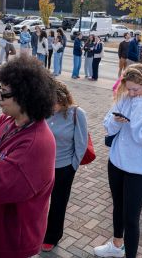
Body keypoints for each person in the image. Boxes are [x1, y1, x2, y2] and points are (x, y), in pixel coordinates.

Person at [0, 55, 56, 258]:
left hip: (10, 245)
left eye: (4, 93)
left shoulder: (34, 144)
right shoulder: (9, 120)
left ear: (25, 97)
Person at [95, 64, 142, 258]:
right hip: (117, 161)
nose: (131, 93)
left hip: (140, 168)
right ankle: (116, 244)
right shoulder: (125, 97)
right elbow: (107, 125)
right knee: (118, 207)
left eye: (135, 89)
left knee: (131, 217)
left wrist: (138, 107)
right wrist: (115, 121)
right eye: (128, 88)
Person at [42, 81, 88, 252]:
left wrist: (73, 166)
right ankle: (38, 230)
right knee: (39, 201)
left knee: (58, 203)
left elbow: (81, 144)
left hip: (64, 168)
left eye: (53, 101)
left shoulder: (77, 113)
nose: (50, 105)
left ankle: (52, 236)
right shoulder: (44, 112)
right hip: (42, 166)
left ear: (62, 99)